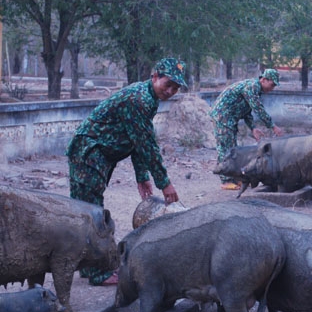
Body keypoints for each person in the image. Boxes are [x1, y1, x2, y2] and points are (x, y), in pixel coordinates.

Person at [66, 57, 187, 286]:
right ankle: (98, 273)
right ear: (155, 77)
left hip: (96, 155)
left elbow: (136, 138)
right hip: (89, 153)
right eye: (167, 84)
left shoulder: (148, 97)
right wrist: (164, 183)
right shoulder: (140, 99)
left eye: (175, 87)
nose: (170, 91)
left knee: (86, 211)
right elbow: (146, 144)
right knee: (91, 213)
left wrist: (142, 176)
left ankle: (88, 267)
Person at [210, 68, 284, 190]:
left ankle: (233, 178)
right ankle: (225, 180)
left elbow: (247, 111)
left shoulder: (255, 89)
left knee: (232, 147)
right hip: (222, 116)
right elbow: (258, 109)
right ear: (264, 80)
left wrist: (253, 128)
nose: (272, 89)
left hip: (230, 118)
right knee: (225, 148)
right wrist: (273, 126)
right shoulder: (252, 87)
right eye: (272, 85)